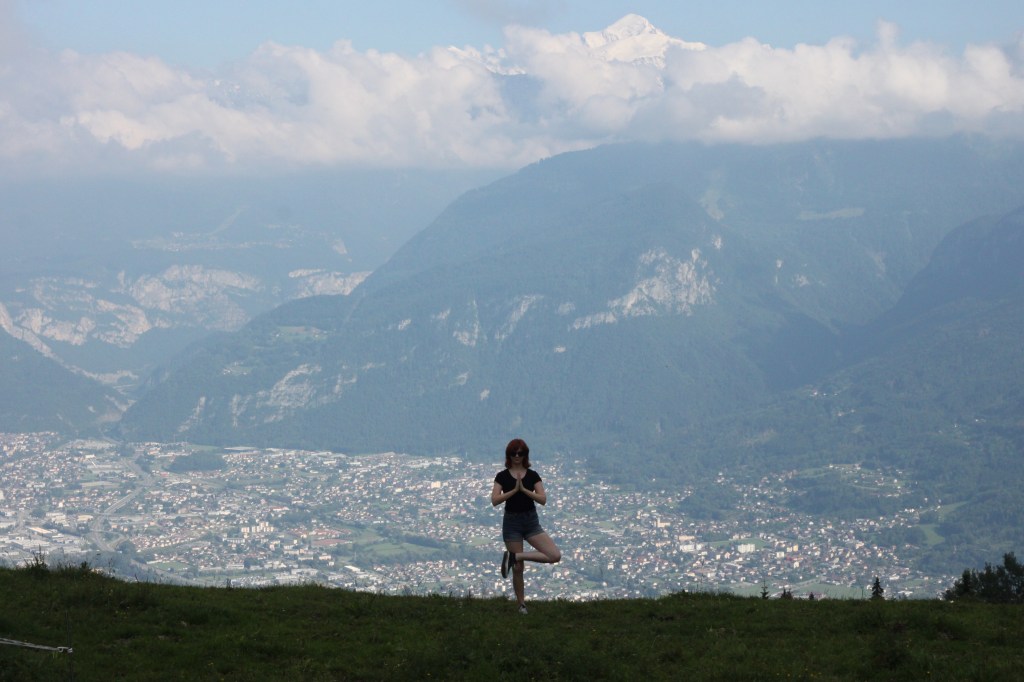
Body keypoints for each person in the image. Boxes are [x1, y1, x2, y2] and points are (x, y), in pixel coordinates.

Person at [491, 438, 561, 614]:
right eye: (513, 453)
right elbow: (494, 500)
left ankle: (515, 556)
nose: (517, 456)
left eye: (520, 453)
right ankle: (521, 604)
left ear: (525, 455)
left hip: (531, 522)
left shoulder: (533, 475)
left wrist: (524, 490)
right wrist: (514, 491)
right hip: (512, 523)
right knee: (518, 569)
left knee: (554, 555)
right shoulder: (502, 476)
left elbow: (542, 499)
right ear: (508, 455)